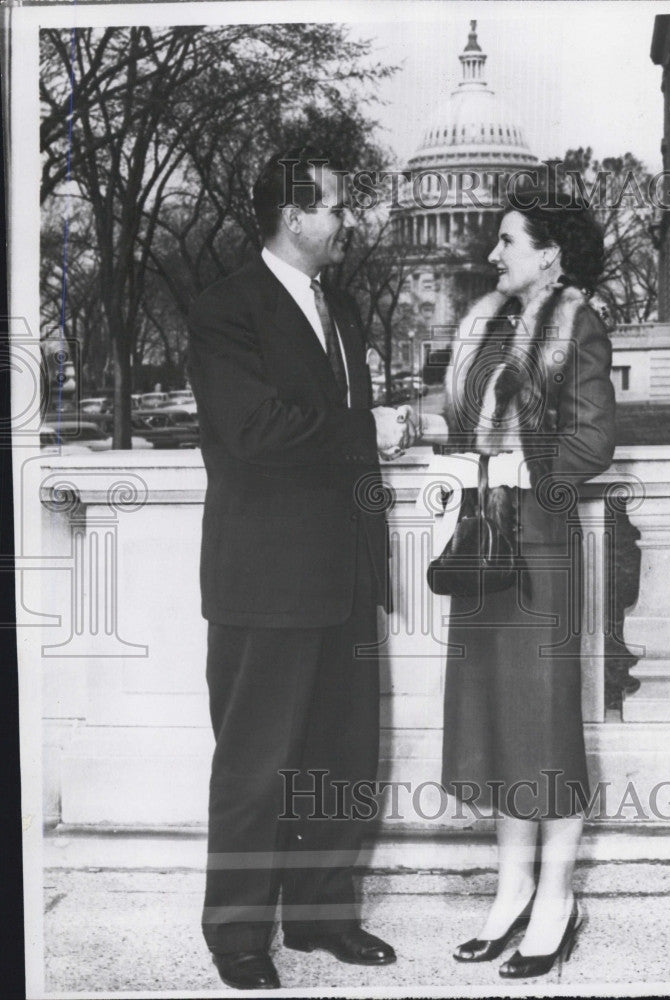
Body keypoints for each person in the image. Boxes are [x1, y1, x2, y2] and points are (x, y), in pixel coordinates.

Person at [188, 151, 416, 991]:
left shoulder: (341, 306)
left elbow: (322, 419)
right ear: (294, 215)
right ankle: (238, 939)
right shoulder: (225, 310)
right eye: (335, 207)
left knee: (339, 757)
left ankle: (323, 915)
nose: (346, 220)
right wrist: (367, 429)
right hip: (266, 577)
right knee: (256, 765)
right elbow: (256, 432)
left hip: (347, 575)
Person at [438, 185, 616, 978]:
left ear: (549, 252)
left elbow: (591, 445)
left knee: (542, 723)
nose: (491, 255)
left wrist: (513, 468)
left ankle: (555, 898)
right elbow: (465, 424)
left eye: (506, 241)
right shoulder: (489, 326)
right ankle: (510, 893)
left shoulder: (580, 326)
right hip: (483, 549)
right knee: (497, 719)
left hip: (537, 548)